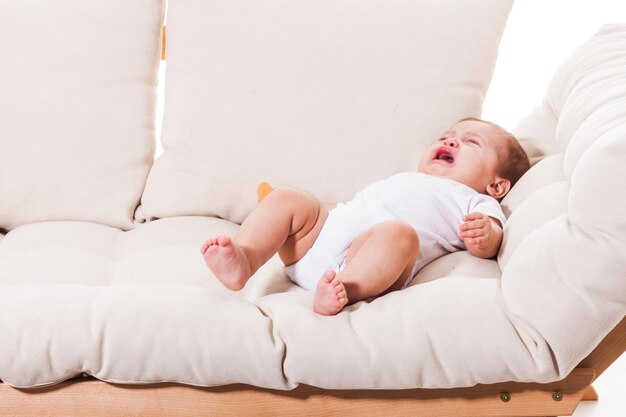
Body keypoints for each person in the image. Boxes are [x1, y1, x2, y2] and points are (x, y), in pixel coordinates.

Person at [200, 118, 530, 315]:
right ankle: (245, 258)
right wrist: (315, 213)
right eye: (448, 136)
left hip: (369, 265)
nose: (451, 140)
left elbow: (494, 237)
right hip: (316, 244)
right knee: (287, 198)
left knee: (400, 234)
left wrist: (487, 235)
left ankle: (344, 289)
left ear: (497, 184)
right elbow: (354, 210)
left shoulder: (475, 200)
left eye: (470, 142)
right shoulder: (406, 179)